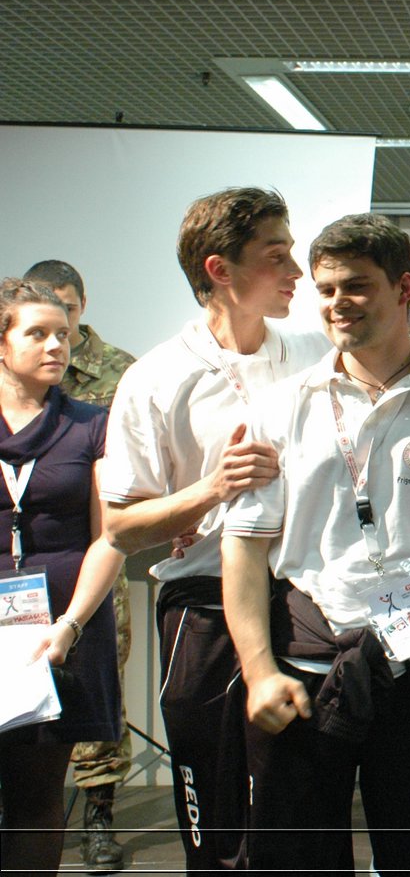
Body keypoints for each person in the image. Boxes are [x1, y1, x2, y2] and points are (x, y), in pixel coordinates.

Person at [220, 213, 410, 870]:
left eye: (356, 286)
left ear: (403, 287)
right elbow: (245, 549)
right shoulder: (281, 405)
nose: (337, 303)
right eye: (326, 289)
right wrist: (257, 672)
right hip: (306, 665)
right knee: (296, 859)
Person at [98, 187, 328, 873]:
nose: (298, 272)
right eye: (277, 255)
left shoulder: (317, 353)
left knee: (301, 811)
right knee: (218, 822)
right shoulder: (156, 377)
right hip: (202, 608)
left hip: (305, 597)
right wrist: (209, 488)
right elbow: (119, 527)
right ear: (220, 270)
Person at [0, 279, 124, 875]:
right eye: (38, 333)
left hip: (60, 631)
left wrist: (71, 625)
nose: (57, 345)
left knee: (36, 793)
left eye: (63, 335)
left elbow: (110, 536)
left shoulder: (90, 425)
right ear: (1, 343)